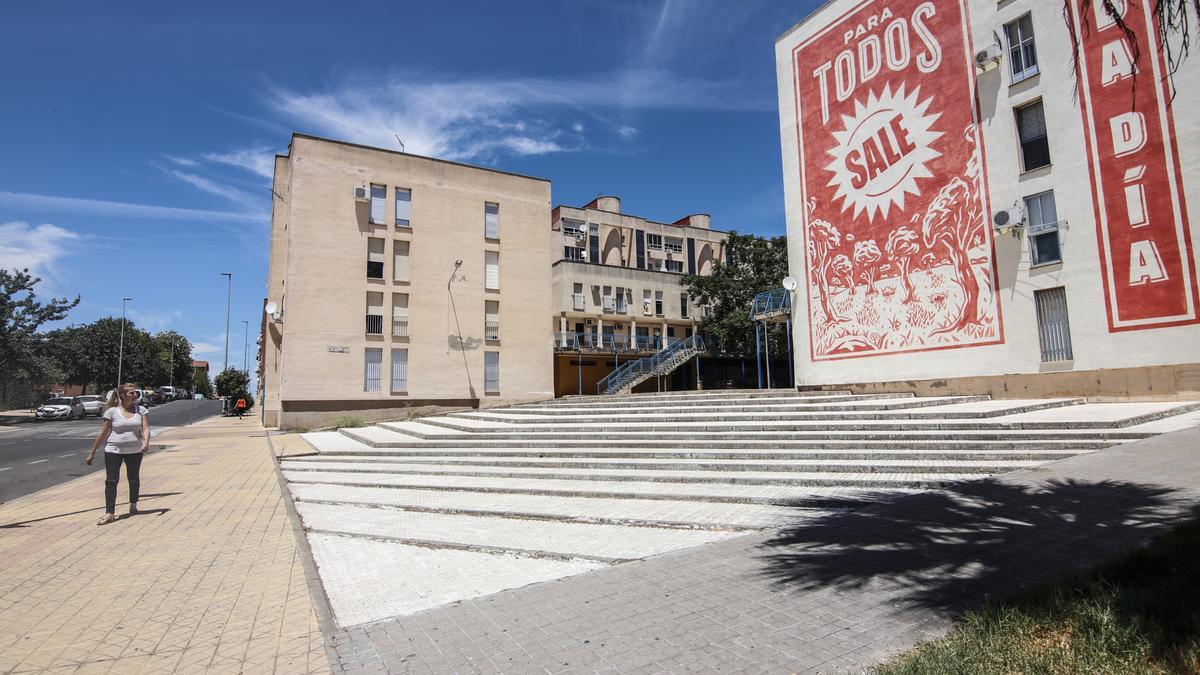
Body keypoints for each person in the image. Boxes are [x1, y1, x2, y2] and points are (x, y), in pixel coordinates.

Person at [85, 383, 150, 526]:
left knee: (133, 478)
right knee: (111, 480)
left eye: (135, 393)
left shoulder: (141, 410)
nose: (135, 395)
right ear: (122, 395)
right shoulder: (112, 412)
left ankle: (133, 504)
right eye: (131, 393)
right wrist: (92, 452)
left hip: (134, 450)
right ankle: (110, 513)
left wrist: (146, 442)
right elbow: (103, 433)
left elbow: (145, 428)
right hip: (113, 449)